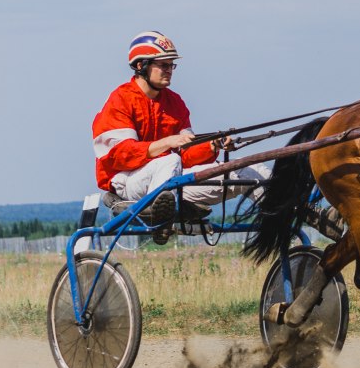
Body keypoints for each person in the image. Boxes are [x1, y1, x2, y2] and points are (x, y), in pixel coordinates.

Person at [92, 31, 271, 243]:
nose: (169, 70)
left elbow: (186, 156)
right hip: (128, 183)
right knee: (170, 160)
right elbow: (118, 156)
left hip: (172, 180)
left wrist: (212, 145)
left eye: (172, 65)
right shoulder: (120, 100)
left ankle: (285, 219)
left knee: (250, 169)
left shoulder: (175, 103)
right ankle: (160, 221)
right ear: (141, 66)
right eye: (163, 65)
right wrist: (166, 143)